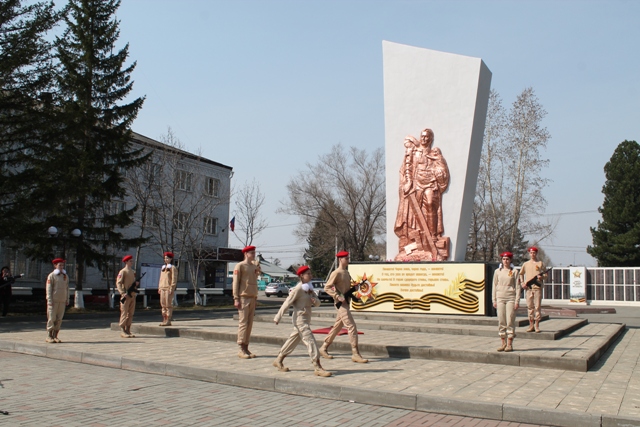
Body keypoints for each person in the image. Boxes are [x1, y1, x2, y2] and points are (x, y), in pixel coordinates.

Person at [394, 128, 450, 261]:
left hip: (430, 183)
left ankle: (433, 234)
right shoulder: (415, 152)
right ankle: (417, 239)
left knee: (430, 204)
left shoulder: (434, 153)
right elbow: (408, 168)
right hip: (417, 185)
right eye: (422, 136)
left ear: (430, 139)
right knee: (415, 213)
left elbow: (441, 169)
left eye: (426, 137)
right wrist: (408, 182)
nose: (424, 138)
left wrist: (439, 173)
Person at [273, 266, 331, 377]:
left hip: (306, 319)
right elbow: (287, 302)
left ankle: (278, 359)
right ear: (301, 276)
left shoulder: (309, 287)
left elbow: (318, 303)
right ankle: (317, 366)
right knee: (311, 341)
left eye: (310, 273)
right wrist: (278, 317)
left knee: (292, 341)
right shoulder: (298, 289)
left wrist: (315, 301)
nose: (310, 275)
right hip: (300, 320)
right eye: (308, 274)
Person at [319, 250, 368, 363]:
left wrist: (354, 288)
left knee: (337, 327)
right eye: (346, 258)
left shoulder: (346, 273)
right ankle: (355, 353)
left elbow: (346, 289)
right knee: (351, 326)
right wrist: (337, 296)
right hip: (341, 304)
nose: (348, 260)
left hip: (346, 302)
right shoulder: (336, 273)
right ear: (340, 259)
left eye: (348, 258)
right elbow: (327, 287)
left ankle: (324, 347)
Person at [233, 245, 260, 359]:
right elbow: (235, 282)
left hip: (252, 296)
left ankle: (246, 346)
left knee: (250, 324)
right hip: (243, 297)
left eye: (254, 253)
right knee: (243, 323)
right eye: (251, 253)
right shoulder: (240, 266)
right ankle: (241, 347)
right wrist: (236, 298)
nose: (253, 255)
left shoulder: (254, 266)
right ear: (246, 254)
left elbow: (255, 279)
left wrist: (258, 269)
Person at [492, 252, 520, 352]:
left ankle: (509, 344)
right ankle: (503, 343)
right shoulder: (497, 271)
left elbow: (517, 287)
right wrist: (494, 299)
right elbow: (494, 285)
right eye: (504, 259)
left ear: (510, 260)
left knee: (510, 320)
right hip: (500, 297)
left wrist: (517, 301)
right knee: (501, 320)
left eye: (507, 259)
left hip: (510, 298)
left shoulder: (514, 271)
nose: (505, 261)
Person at [519, 246, 546, 333]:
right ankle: (531, 325)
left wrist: (541, 277)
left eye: (534, 253)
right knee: (530, 307)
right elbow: (521, 274)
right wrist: (522, 283)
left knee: (537, 307)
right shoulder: (526, 264)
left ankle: (537, 325)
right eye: (531, 253)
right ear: (529, 254)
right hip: (529, 289)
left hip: (537, 288)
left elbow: (545, 274)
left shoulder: (540, 263)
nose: (532, 254)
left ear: (536, 253)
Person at [45, 258, 69, 343]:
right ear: (55, 265)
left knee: (59, 319)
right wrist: (49, 300)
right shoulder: (52, 276)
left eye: (62, 265)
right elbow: (49, 289)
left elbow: (67, 288)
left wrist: (67, 299)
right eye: (60, 265)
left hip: (62, 300)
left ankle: (55, 336)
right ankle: (49, 336)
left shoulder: (65, 276)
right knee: (52, 318)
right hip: (53, 301)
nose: (61, 267)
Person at [116, 255, 138, 338]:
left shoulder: (132, 272)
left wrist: (136, 284)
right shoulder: (123, 271)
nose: (132, 262)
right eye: (130, 261)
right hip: (125, 296)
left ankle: (128, 329)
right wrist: (122, 293)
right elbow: (118, 283)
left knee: (131, 313)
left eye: (132, 261)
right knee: (124, 313)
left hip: (132, 295)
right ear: (126, 262)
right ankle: (122, 329)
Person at [158, 251, 178, 326]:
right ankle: (164, 319)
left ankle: (168, 320)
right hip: (162, 288)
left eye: (167, 258)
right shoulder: (163, 268)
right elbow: (161, 279)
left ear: (170, 259)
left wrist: (172, 288)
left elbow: (174, 279)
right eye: (165, 258)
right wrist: (159, 287)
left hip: (168, 288)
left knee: (168, 304)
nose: (166, 259)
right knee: (163, 304)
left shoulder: (172, 268)